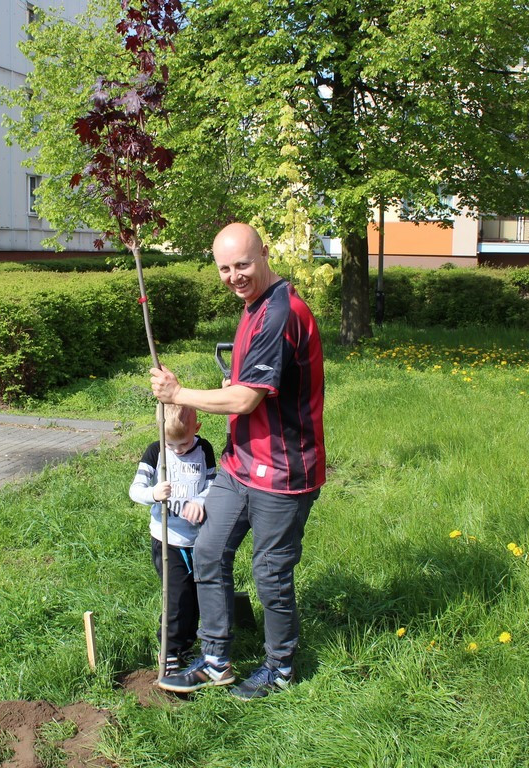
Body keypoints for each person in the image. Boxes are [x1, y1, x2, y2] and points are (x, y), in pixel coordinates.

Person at [150, 222, 325, 699]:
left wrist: (178, 394)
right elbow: (251, 384)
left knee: (269, 572)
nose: (234, 276)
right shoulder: (253, 307)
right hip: (240, 462)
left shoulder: (280, 313)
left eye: (243, 264)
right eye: (225, 268)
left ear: (265, 254)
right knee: (208, 551)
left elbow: (247, 400)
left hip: (284, 471)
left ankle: (280, 668)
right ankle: (215, 660)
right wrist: (230, 387)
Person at [129, 403, 216, 675]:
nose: (178, 450)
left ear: (197, 429)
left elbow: (213, 485)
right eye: (172, 444)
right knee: (177, 598)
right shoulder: (156, 451)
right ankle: (169, 649)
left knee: (195, 596)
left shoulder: (205, 451)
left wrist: (201, 501)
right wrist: (154, 493)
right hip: (167, 539)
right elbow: (135, 490)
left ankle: (186, 643)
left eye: (184, 443)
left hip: (197, 538)